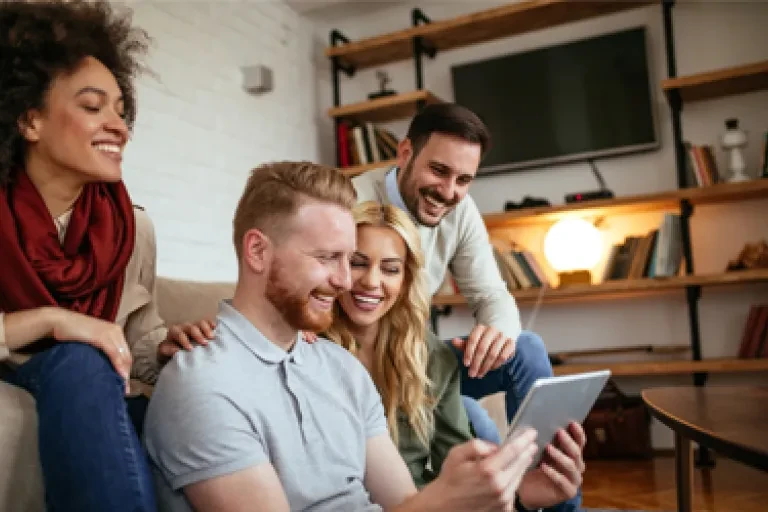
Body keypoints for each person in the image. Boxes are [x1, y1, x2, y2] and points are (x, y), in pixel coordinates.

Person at [143, 161, 540, 512]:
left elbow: (404, 503)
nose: (346, 281)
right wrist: (444, 501)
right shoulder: (202, 384)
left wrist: (525, 495)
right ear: (258, 252)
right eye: (327, 258)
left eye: (346, 259)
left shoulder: (340, 368)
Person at [0, 1, 209, 510]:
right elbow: (83, 341)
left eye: (121, 109)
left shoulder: (132, 227)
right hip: (34, 368)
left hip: (105, 392)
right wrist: (54, 320)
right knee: (78, 357)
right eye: (94, 107)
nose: (119, 125)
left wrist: (165, 349)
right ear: (29, 120)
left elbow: (135, 339)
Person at [326, 200, 585, 511]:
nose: (371, 281)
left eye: (390, 269)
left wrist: (519, 495)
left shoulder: (429, 355)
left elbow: (461, 478)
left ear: (406, 279)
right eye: (357, 263)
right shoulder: (310, 350)